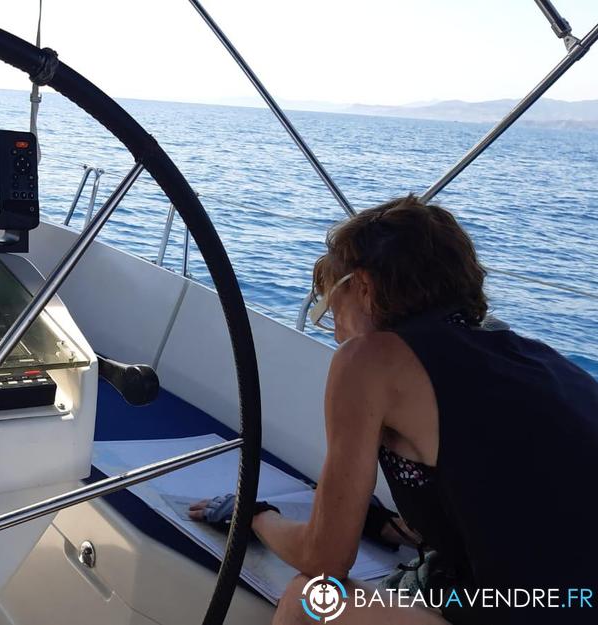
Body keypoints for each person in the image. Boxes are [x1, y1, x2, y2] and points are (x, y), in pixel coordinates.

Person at [189, 195, 598, 624]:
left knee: (309, 600)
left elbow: (325, 561)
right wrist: (383, 526)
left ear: (362, 286)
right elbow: (516, 514)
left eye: (331, 303)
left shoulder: (370, 358)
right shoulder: (535, 359)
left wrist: (253, 515)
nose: (334, 330)